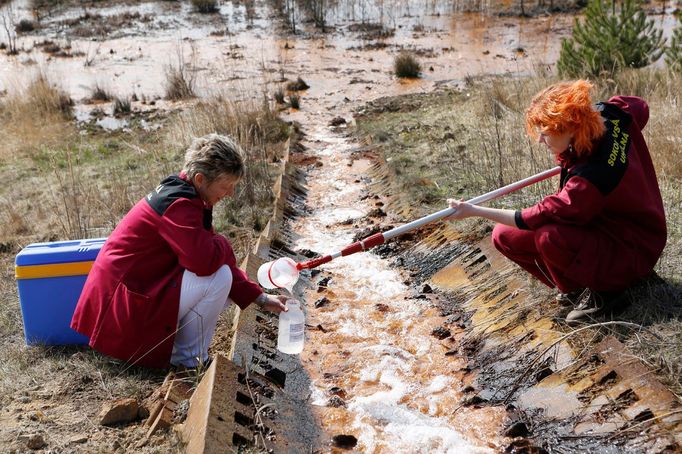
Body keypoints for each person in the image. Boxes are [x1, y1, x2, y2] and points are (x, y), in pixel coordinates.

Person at [447, 80, 666, 325]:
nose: (541, 140)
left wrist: (473, 210)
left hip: (633, 246)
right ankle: (576, 289)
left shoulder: (588, 180)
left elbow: (533, 217)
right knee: (503, 236)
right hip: (607, 227)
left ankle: (609, 293)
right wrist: (596, 126)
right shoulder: (611, 114)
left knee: (549, 237)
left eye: (545, 133)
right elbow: (640, 106)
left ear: (569, 128)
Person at [71, 133, 288, 369]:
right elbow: (204, 262)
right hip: (121, 309)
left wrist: (260, 298)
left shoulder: (186, 195)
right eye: (226, 187)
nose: (230, 194)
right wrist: (223, 243)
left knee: (221, 275)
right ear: (201, 178)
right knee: (219, 278)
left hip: (130, 293)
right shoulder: (181, 206)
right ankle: (189, 360)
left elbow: (210, 256)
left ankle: (182, 352)